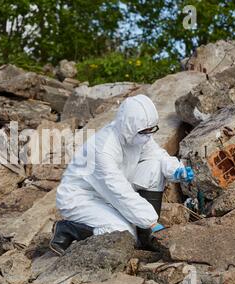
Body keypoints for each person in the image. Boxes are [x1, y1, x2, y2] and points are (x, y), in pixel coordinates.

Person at [50, 94, 194, 255]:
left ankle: (145, 236)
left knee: (155, 167)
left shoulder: (136, 135)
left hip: (109, 193)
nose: (148, 136)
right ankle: (68, 229)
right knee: (122, 234)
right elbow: (119, 191)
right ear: (129, 126)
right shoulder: (103, 149)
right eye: (144, 131)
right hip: (81, 198)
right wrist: (152, 223)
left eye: (151, 130)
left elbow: (157, 156)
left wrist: (176, 170)